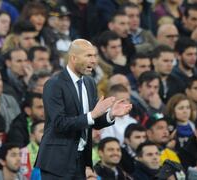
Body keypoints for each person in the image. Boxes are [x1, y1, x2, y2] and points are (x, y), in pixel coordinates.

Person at [35, 39, 132, 179]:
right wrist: (92, 115)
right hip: (57, 162)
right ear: (73, 58)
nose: (94, 61)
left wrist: (110, 114)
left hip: (80, 161)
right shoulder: (54, 84)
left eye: (94, 56)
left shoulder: (89, 83)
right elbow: (59, 123)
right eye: (88, 56)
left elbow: (93, 120)